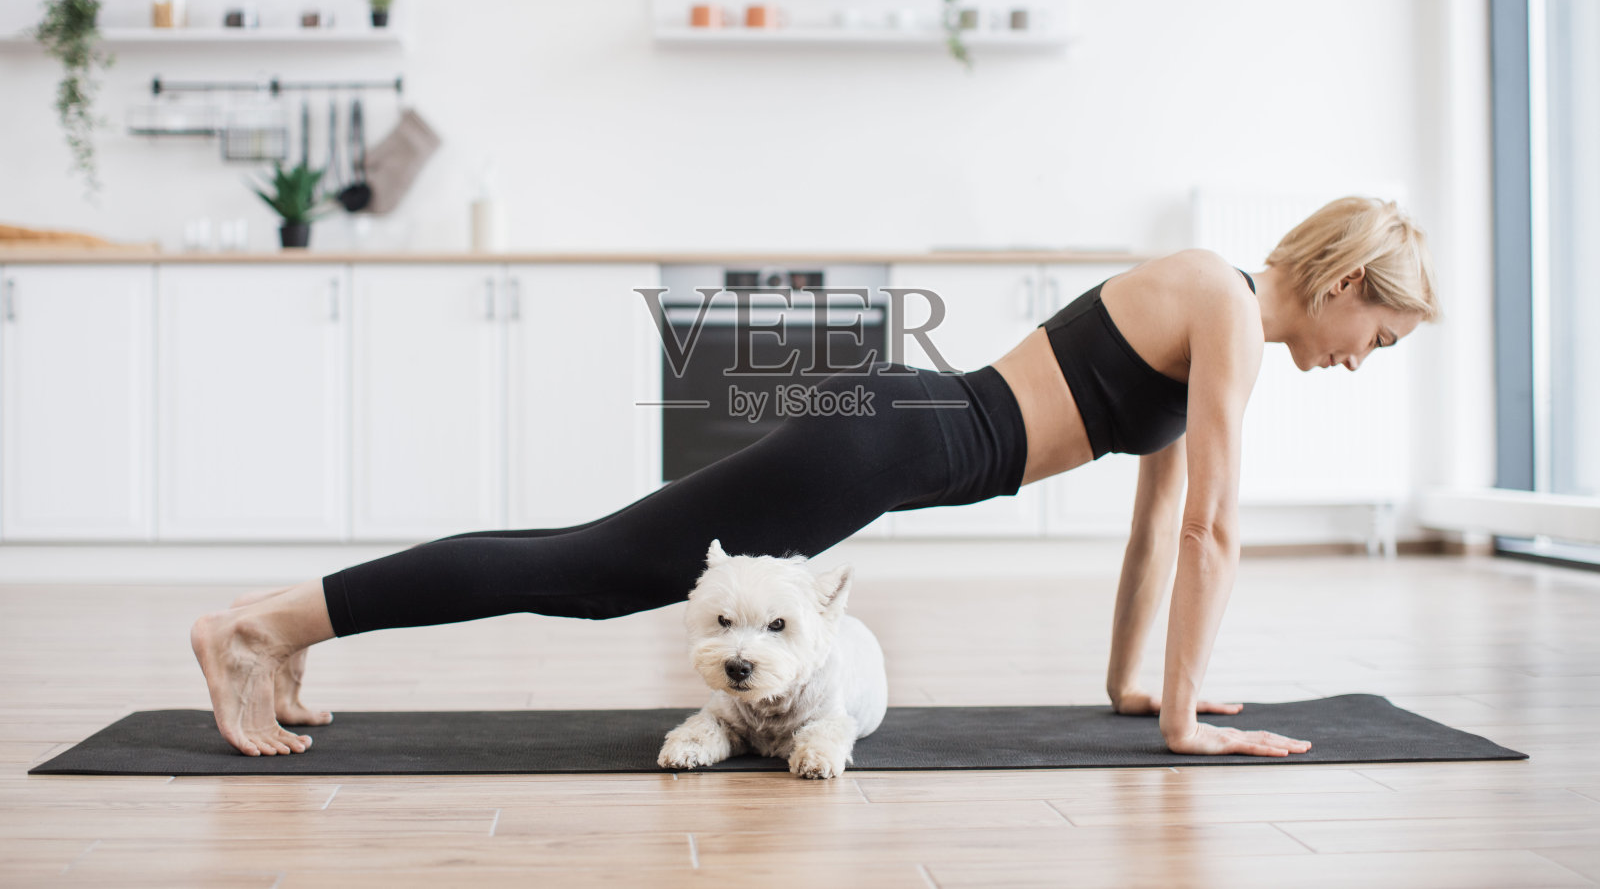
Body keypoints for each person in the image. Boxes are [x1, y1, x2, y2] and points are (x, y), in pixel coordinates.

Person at [192, 195, 1439, 760]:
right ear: (1345, 284)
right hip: (884, 442)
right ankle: (258, 626)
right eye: (1376, 337)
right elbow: (1216, 530)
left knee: (585, 553)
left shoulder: (1213, 308)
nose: (1359, 359)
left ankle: (280, 625)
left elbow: (1161, 525)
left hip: (892, 428)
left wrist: (1135, 687)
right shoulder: (1222, 303)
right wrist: (1181, 725)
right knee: (590, 572)